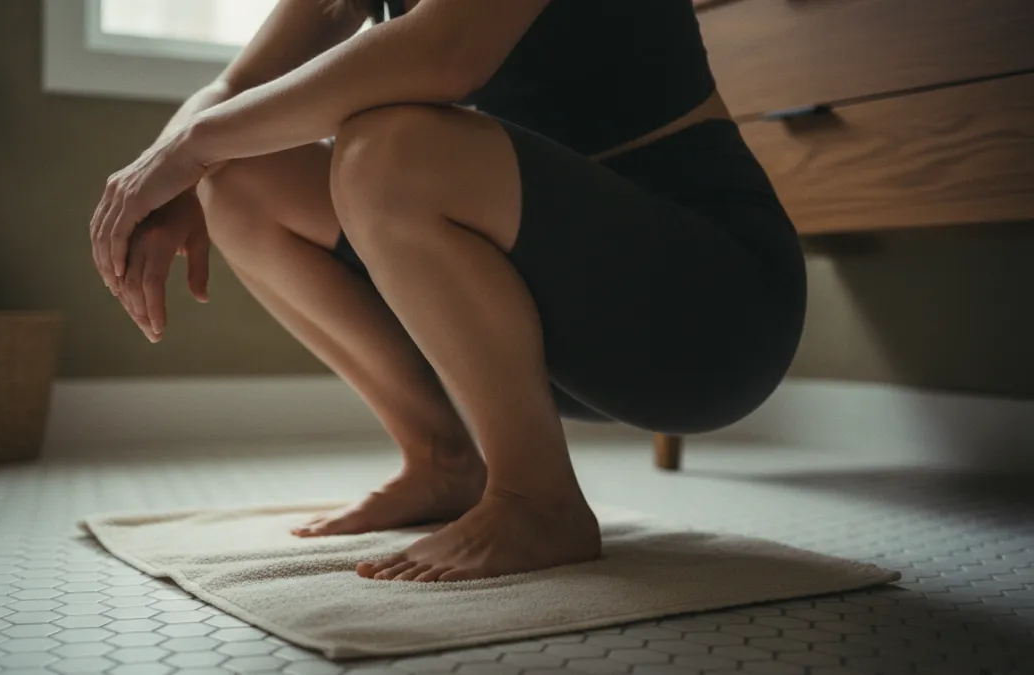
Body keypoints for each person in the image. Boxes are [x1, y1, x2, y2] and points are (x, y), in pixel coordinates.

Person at [88, 0, 807, 583]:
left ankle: (537, 498)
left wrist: (193, 147)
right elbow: (231, 89)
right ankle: (440, 460)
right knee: (240, 179)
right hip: (552, 321)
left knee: (388, 151)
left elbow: (444, 48)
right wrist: (173, 162)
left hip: (712, 310)